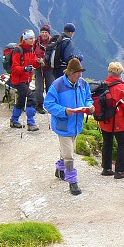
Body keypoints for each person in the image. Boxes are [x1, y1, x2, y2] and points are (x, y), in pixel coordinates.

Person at [44, 57, 94, 195]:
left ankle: (60, 169)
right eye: (78, 72)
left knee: (68, 150)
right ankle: (72, 182)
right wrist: (64, 111)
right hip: (63, 124)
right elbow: (48, 104)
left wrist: (90, 106)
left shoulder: (83, 83)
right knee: (69, 155)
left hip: (76, 125)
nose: (80, 75)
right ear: (70, 73)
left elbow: (89, 97)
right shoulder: (57, 85)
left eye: (81, 72)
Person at [99, 61, 124, 179]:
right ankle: (120, 170)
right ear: (120, 74)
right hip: (119, 122)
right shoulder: (122, 88)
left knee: (107, 143)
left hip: (105, 121)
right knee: (123, 144)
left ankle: (106, 168)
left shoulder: (103, 86)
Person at [9, 29, 40, 131]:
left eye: (34, 38)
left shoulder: (31, 49)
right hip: (18, 80)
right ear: (25, 39)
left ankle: (14, 120)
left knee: (22, 100)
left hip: (26, 79)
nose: (33, 40)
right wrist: (25, 69)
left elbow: (34, 62)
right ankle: (31, 123)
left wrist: (39, 62)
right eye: (30, 38)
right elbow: (14, 68)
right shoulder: (18, 50)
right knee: (31, 98)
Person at [33, 24, 54, 114]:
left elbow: (54, 55)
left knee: (50, 87)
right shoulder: (36, 42)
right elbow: (32, 53)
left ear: (49, 33)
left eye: (46, 32)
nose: (44, 34)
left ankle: (50, 105)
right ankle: (39, 105)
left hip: (49, 68)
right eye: (42, 32)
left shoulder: (53, 42)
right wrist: (37, 60)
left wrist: (44, 60)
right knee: (39, 87)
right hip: (38, 67)